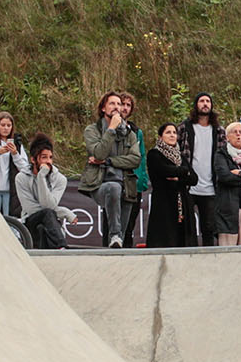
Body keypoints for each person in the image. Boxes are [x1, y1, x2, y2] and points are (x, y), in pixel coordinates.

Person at [82, 92, 142, 249]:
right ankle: (114, 235)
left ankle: (116, 245)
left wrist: (109, 161)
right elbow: (98, 153)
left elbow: (135, 160)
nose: (117, 107)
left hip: (126, 185)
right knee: (113, 187)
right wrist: (111, 129)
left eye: (119, 104)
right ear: (103, 108)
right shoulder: (92, 130)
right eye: (112, 104)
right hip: (101, 183)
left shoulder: (130, 134)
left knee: (120, 237)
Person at [177, 93, 224, 246]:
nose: (205, 104)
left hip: (210, 186)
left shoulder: (218, 130)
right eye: (201, 101)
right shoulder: (185, 127)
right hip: (189, 186)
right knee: (188, 228)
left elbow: (223, 156)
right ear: (196, 105)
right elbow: (176, 152)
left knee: (209, 228)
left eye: (208, 101)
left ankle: (209, 263)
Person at [145, 122, 195, 249]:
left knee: (184, 242)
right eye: (168, 132)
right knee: (165, 240)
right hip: (164, 202)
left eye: (174, 132)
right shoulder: (154, 154)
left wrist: (178, 177)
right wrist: (183, 172)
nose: (172, 135)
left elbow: (194, 179)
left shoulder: (181, 156)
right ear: (161, 137)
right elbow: (164, 171)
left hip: (183, 202)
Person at [15, 135, 69, 250]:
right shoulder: (21, 178)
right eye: (44, 157)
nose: (48, 161)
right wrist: (63, 211)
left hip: (50, 223)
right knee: (47, 215)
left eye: (50, 157)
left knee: (44, 225)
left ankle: (60, 251)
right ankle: (62, 247)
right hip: (29, 221)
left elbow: (49, 206)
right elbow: (30, 209)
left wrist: (41, 178)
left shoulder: (60, 179)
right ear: (33, 159)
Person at [120, 92, 149, 247]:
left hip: (134, 184)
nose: (125, 108)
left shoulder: (137, 131)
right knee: (117, 226)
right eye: (122, 104)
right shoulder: (108, 127)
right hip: (117, 182)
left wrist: (142, 180)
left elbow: (142, 156)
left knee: (130, 225)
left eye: (128, 105)